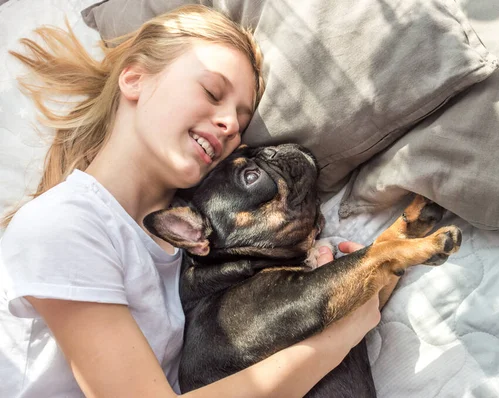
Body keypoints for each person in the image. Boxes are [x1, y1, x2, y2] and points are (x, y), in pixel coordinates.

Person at [0, 5, 380, 398]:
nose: (230, 124)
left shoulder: (197, 249)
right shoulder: (64, 225)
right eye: (212, 92)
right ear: (134, 79)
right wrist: (342, 334)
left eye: (241, 120)